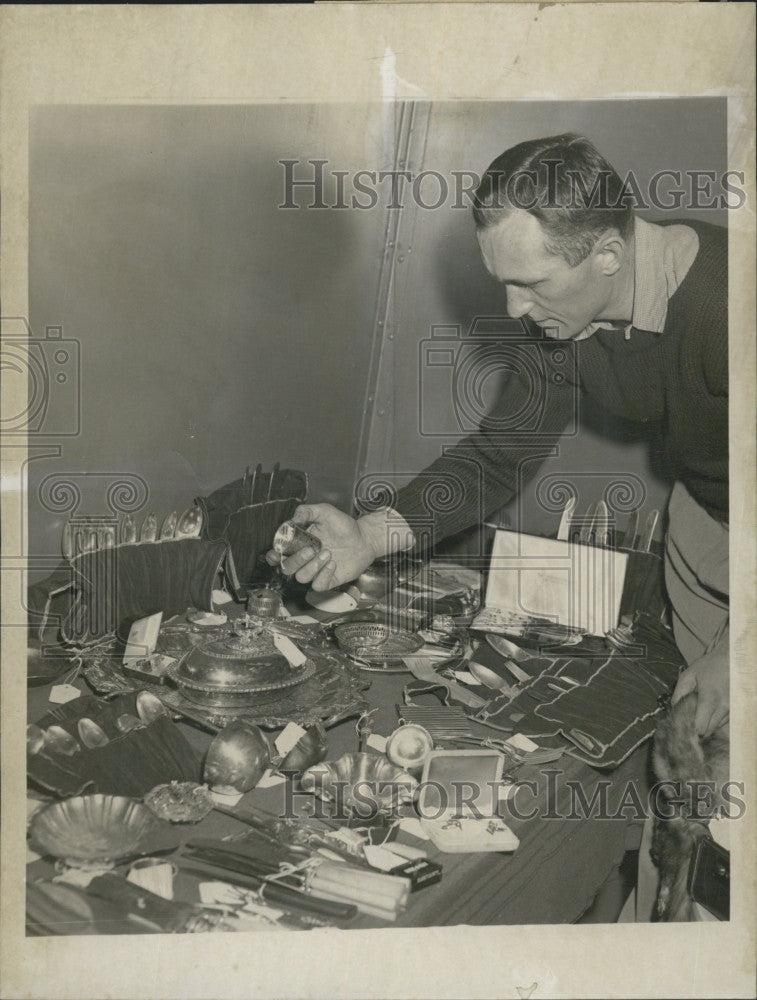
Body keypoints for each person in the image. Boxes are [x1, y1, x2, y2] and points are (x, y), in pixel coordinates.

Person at [266, 132, 729, 740]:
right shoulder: (567, 316)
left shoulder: (728, 307)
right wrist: (368, 537)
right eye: (502, 282)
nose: (513, 309)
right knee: (699, 761)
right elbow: (497, 458)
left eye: (532, 283)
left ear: (609, 254)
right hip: (710, 530)